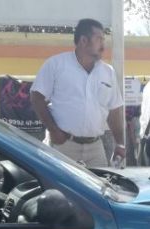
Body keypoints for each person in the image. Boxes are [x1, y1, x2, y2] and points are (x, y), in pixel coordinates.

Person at [30, 18, 125, 167]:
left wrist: (120, 144)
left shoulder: (108, 72)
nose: (103, 45)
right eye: (99, 39)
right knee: (59, 189)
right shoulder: (56, 65)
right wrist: (53, 130)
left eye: (103, 39)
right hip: (64, 145)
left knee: (99, 188)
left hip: (95, 147)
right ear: (83, 40)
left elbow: (114, 110)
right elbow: (36, 97)